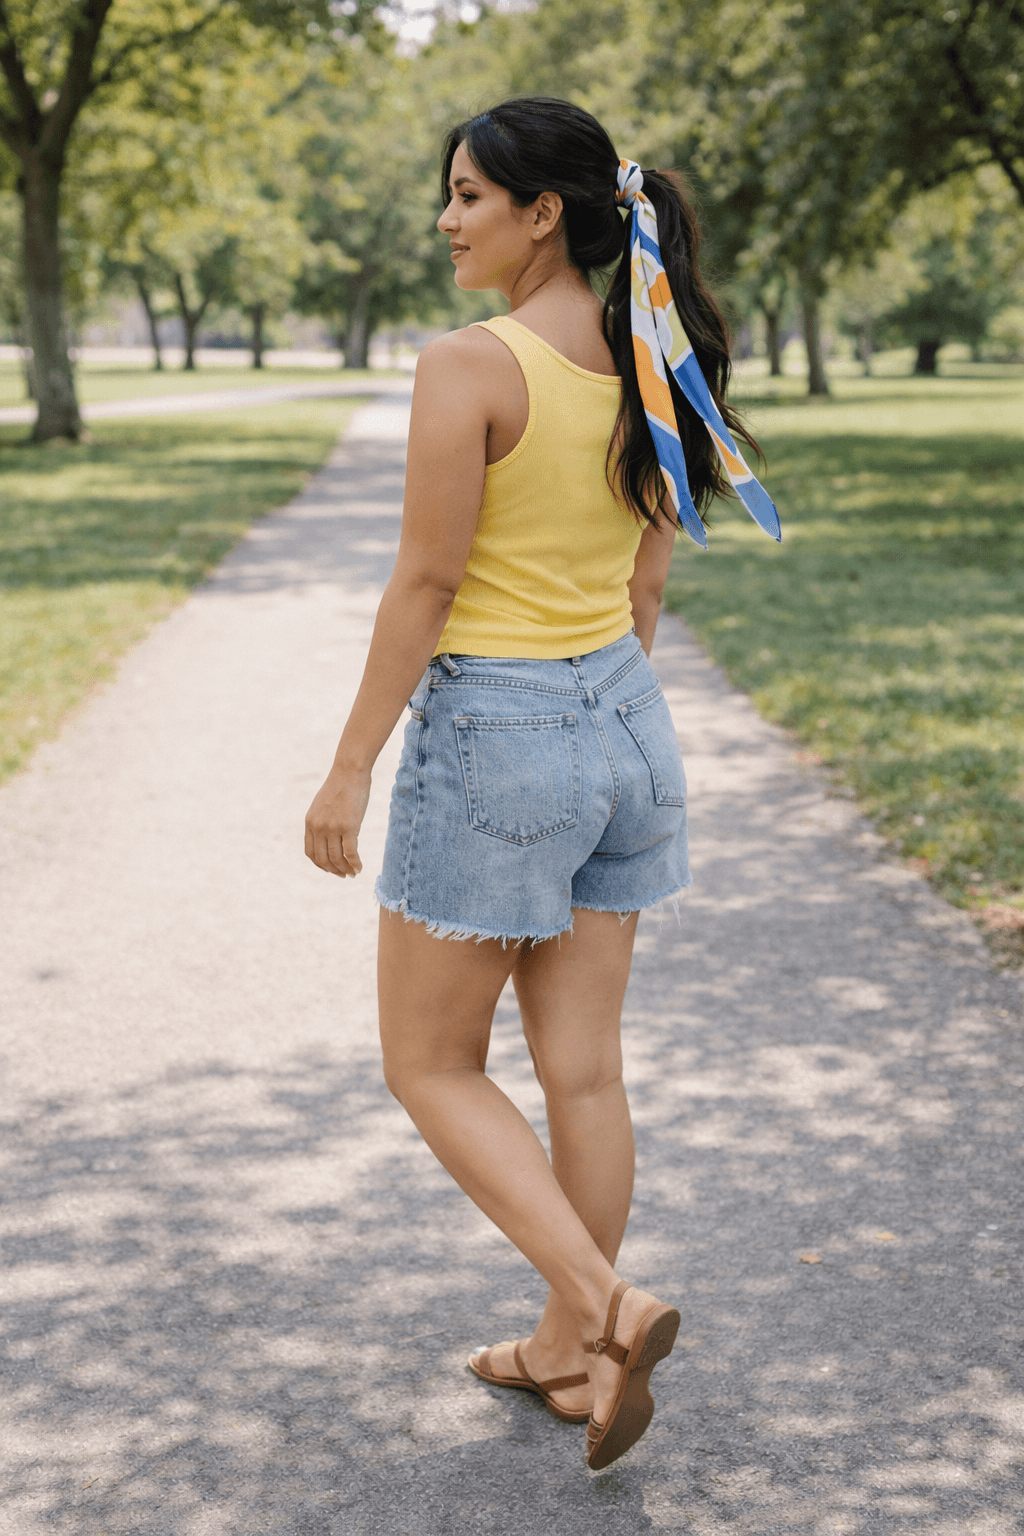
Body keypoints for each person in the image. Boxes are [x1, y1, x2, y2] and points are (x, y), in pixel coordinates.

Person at [304, 96, 777, 1471]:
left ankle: (605, 1304)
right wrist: (601, 713)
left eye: (466, 195)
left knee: (430, 1061)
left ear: (542, 212)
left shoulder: (472, 365)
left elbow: (430, 580)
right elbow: (647, 569)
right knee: (582, 1071)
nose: (447, 221)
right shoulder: (646, 351)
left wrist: (349, 765)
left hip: (499, 732)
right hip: (627, 721)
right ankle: (569, 1355)